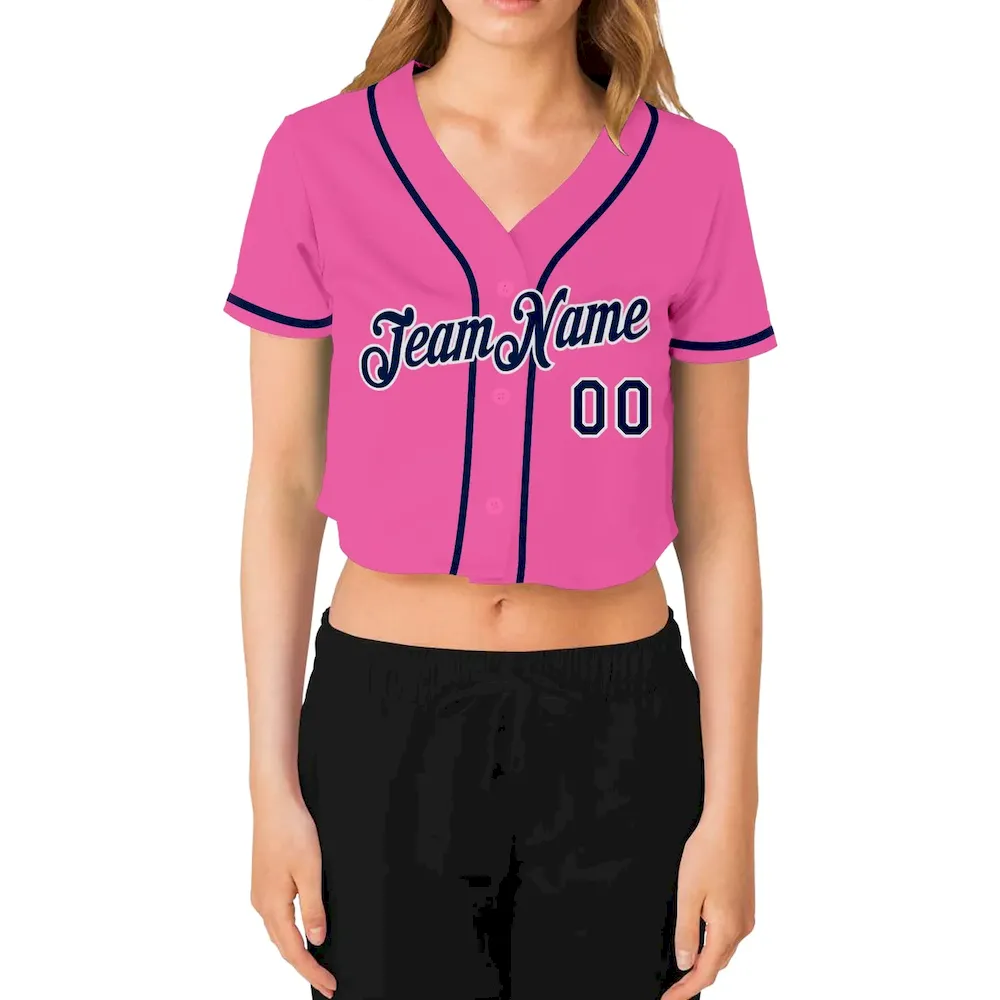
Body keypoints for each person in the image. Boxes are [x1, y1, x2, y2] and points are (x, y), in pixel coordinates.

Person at [223, 1, 775, 997]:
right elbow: (284, 486)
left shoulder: (692, 172)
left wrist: (732, 808)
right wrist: (271, 785)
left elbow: (717, 506)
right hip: (382, 729)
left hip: (623, 730)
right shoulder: (316, 157)